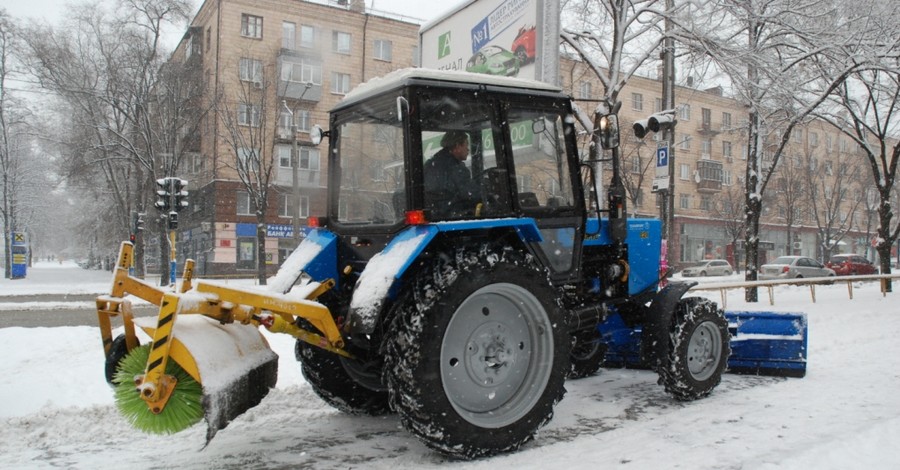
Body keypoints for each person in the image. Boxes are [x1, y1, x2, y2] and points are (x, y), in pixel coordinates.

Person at [423, 130, 481, 217]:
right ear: (457, 146)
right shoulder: (456, 168)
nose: (468, 149)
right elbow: (471, 194)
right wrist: (485, 192)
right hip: (452, 214)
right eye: (466, 144)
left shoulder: (431, 164)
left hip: (435, 214)